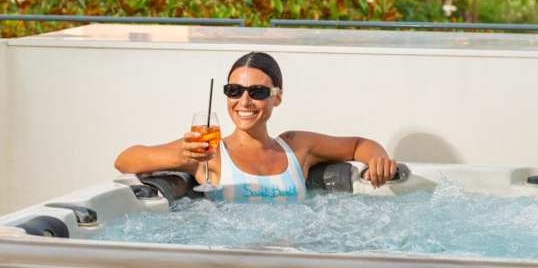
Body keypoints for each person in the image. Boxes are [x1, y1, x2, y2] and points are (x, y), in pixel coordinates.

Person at [114, 51, 397, 202]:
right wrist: (182, 155)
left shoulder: (297, 146)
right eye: (234, 91)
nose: (244, 101)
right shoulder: (209, 152)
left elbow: (359, 145)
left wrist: (378, 159)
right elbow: (125, 159)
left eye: (257, 92)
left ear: (278, 97)